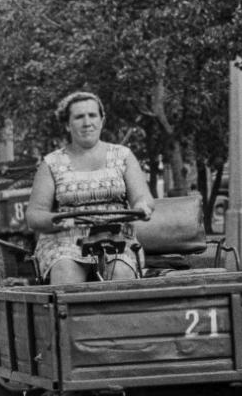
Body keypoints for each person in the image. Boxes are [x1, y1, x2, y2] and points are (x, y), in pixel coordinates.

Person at [26, 91, 154, 283]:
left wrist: (143, 206)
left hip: (117, 238)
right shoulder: (51, 163)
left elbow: (142, 198)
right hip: (65, 241)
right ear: (67, 125)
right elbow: (35, 214)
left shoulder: (123, 155)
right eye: (79, 117)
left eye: (92, 115)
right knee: (66, 272)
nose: (87, 123)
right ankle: (68, 312)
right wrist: (58, 220)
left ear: (102, 120)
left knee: (121, 273)